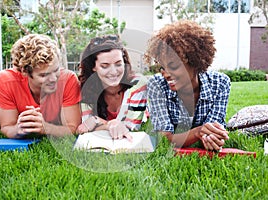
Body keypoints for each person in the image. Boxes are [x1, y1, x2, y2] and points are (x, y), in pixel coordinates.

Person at [144, 20, 230, 151]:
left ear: (194, 62)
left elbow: (213, 128)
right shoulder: (156, 85)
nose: (165, 74)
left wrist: (212, 137)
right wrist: (198, 132)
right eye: (162, 67)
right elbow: (164, 139)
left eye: (173, 66)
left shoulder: (220, 83)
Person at [0, 34, 82, 138]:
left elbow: (73, 128)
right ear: (25, 72)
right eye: (44, 75)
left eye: (56, 70)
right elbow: (6, 127)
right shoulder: (6, 80)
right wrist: (19, 129)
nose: (53, 79)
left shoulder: (68, 79)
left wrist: (46, 128)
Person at [76, 35, 148, 141]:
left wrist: (98, 121)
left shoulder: (138, 83)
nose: (114, 72)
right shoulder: (86, 87)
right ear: (93, 67)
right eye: (105, 66)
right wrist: (110, 125)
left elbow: (131, 127)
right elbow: (85, 126)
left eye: (118, 64)